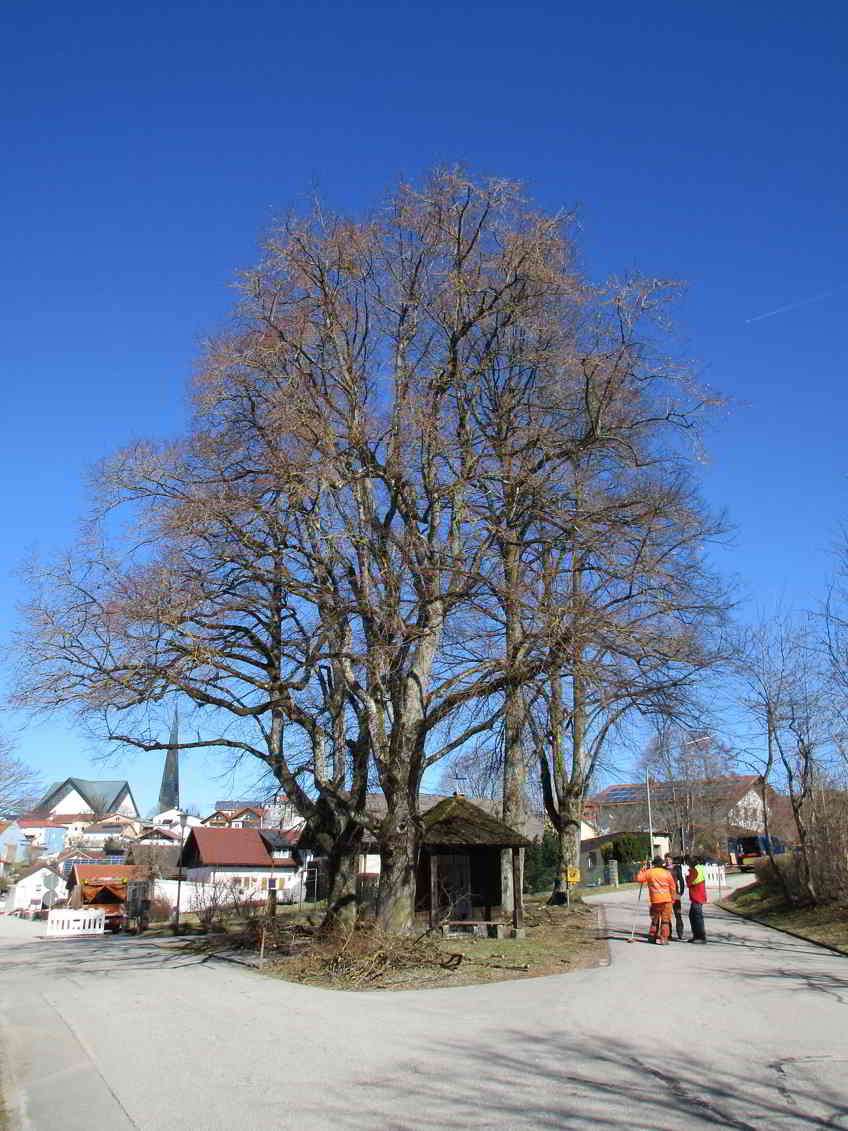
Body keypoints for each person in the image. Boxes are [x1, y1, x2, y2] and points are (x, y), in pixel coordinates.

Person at [635, 856, 678, 945]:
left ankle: (652, 937)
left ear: (654, 864)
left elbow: (639, 879)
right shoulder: (667, 873)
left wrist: (642, 871)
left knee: (655, 920)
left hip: (655, 900)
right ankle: (664, 939)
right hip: (667, 900)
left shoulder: (649, 872)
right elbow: (673, 887)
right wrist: (673, 899)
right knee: (665, 921)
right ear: (661, 864)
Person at [686, 854, 708, 943]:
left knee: (697, 917)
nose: (687, 864)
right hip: (699, 895)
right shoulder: (700, 868)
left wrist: (687, 878)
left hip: (696, 896)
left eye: (687, 862)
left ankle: (700, 937)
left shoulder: (694, 870)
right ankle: (697, 936)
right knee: (693, 916)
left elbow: (690, 883)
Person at [664, 852, 685, 940]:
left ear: (672, 860)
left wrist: (681, 892)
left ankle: (680, 933)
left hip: (675, 893)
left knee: (678, 914)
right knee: (667, 915)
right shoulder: (663, 869)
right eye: (666, 859)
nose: (667, 861)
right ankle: (668, 934)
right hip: (665, 894)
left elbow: (681, 880)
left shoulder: (676, 868)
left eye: (669, 859)